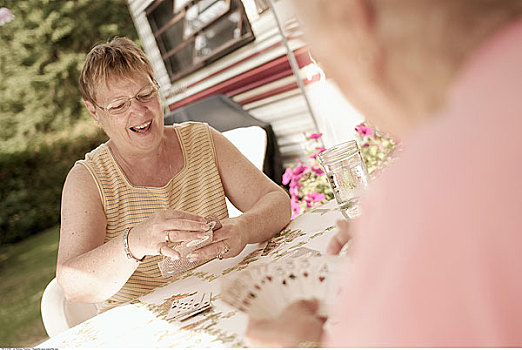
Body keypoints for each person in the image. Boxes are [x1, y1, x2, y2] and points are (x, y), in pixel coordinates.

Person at [246, 0, 522, 347]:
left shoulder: (432, 187)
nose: (323, 68)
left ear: (351, 15)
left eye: (309, 37)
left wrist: (303, 344)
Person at [56, 37, 291, 312]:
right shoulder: (88, 179)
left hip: (226, 302)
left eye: (145, 94)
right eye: (119, 105)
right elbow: (72, 284)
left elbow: (278, 202)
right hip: (150, 327)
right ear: (94, 112)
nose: (139, 111)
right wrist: (135, 242)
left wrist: (244, 228)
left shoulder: (202, 139)